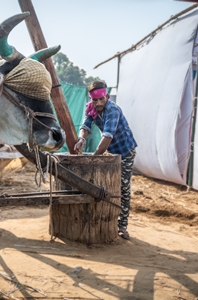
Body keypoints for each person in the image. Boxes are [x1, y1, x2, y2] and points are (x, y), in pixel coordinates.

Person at [74, 80, 137, 240]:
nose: (98, 103)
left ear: (107, 96)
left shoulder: (112, 110)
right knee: (106, 184)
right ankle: (104, 221)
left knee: (123, 186)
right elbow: (85, 126)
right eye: (95, 100)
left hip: (125, 151)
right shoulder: (91, 108)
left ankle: (122, 225)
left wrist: (94, 158)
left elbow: (107, 137)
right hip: (111, 153)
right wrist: (81, 139)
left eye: (101, 99)